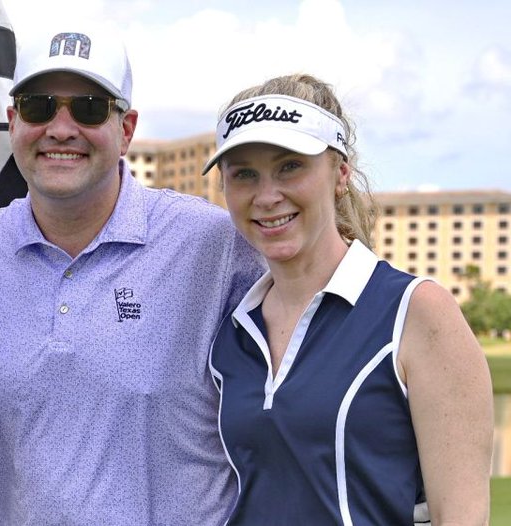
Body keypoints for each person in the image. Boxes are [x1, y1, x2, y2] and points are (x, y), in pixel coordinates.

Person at [0, 23, 265, 525]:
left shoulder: (215, 244)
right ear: (12, 121)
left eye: (90, 108)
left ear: (127, 128)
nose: (61, 128)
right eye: (39, 106)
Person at [205, 74, 493, 524]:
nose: (266, 196)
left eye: (290, 166)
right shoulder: (232, 330)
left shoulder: (415, 311)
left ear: (340, 174)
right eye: (244, 174)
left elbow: (462, 516)